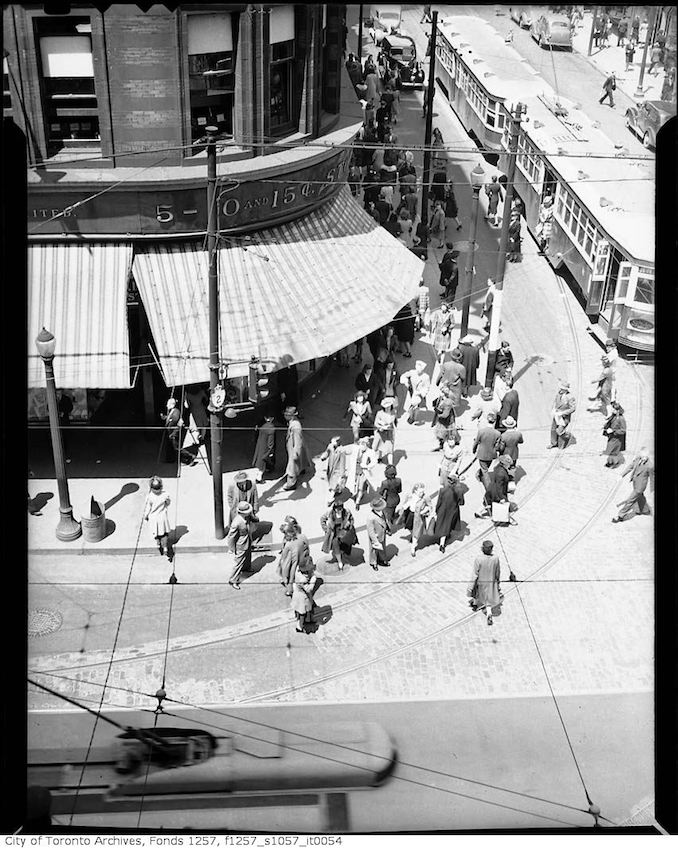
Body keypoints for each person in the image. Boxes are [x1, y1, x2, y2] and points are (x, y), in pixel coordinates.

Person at [467, 540, 502, 625]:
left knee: (476, 593)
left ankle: (475, 605)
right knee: (488, 599)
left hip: (481, 582)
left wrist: (470, 586)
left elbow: (475, 573)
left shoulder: (479, 559)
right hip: (491, 582)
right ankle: (489, 614)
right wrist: (497, 582)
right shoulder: (495, 558)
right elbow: (498, 572)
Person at [612, 448, 652, 523]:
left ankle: (621, 515)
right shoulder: (637, 459)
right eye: (642, 456)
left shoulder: (650, 466)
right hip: (635, 483)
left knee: (630, 500)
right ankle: (645, 510)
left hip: (640, 487)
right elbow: (630, 467)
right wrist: (621, 475)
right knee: (640, 497)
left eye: (645, 457)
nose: (643, 458)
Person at [320, 497, 356, 570]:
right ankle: (340, 561)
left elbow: (352, 519)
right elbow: (322, 519)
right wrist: (326, 529)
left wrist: (350, 525)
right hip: (334, 533)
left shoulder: (347, 512)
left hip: (344, 531)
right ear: (334, 508)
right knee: (335, 545)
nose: (339, 511)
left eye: (340, 509)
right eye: (337, 509)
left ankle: (343, 553)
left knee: (345, 544)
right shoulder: (329, 513)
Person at [433, 473, 465, 554]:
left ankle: (442, 541)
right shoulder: (459, 490)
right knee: (449, 524)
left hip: (442, 510)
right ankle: (442, 543)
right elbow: (461, 503)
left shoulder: (442, 490)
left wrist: (436, 510)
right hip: (453, 510)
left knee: (442, 524)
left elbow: (439, 502)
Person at [278, 520, 311, 597]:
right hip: (302, 562)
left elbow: (285, 559)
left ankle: (290, 591)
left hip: (291, 564)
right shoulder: (301, 538)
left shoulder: (288, 544)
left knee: (289, 578)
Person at [226, 501, 255, 589]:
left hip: (247, 540)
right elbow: (231, 537)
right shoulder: (236, 522)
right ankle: (233, 580)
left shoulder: (246, 518)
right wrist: (231, 548)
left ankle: (246, 568)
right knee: (238, 562)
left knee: (247, 555)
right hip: (241, 544)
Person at [143, 476, 173, 560]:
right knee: (164, 533)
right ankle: (165, 547)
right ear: (161, 486)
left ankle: (158, 542)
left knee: (156, 531)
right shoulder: (165, 495)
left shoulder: (149, 497)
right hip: (162, 517)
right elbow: (168, 503)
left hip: (153, 518)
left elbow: (147, 508)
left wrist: (145, 516)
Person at [283, 406, 312, 490]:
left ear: (292, 415)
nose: (285, 415)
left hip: (294, 449)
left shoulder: (296, 427)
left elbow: (298, 441)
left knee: (291, 467)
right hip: (293, 447)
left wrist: (296, 454)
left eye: (287, 414)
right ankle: (301, 469)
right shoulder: (293, 422)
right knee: (300, 461)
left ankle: (291, 484)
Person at [401, 483, 433, 557]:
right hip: (411, 515)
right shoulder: (411, 496)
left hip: (418, 518)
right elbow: (407, 503)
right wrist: (404, 507)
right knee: (410, 528)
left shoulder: (425, 498)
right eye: (420, 492)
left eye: (423, 491)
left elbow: (430, 506)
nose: (422, 493)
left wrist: (425, 510)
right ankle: (413, 536)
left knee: (416, 533)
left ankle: (413, 548)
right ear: (415, 491)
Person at [162, 397, 195, 465]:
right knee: (171, 447)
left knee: (177, 448)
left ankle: (190, 457)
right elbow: (169, 418)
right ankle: (170, 459)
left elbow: (177, 424)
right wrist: (165, 417)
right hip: (170, 433)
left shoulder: (176, 413)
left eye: (168, 404)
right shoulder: (172, 411)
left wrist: (173, 434)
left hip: (173, 434)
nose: (166, 406)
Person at [400, 359, 431, 424]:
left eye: (420, 370)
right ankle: (411, 416)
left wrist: (421, 393)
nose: (418, 371)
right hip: (411, 392)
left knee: (417, 407)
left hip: (419, 394)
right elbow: (403, 376)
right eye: (417, 369)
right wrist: (406, 382)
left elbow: (427, 387)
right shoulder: (412, 372)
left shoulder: (426, 377)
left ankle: (414, 417)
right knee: (410, 406)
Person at [549, 380, 577, 449]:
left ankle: (564, 440)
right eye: (560, 388)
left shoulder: (570, 397)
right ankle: (554, 443)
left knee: (559, 431)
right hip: (557, 415)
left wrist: (563, 413)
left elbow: (573, 409)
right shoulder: (559, 394)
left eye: (562, 389)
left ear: (566, 390)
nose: (560, 390)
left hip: (564, 417)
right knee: (553, 429)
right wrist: (553, 409)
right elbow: (555, 402)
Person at [437, 348, 466, 413]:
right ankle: (450, 411)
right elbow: (463, 378)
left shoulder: (445, 364)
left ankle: (444, 408)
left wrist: (437, 382)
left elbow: (440, 374)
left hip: (445, 385)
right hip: (455, 387)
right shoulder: (461, 367)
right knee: (453, 400)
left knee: (444, 397)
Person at [353, 436, 379, 509]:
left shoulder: (371, 452)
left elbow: (374, 462)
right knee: (353, 487)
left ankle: (357, 502)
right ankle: (356, 495)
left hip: (363, 473)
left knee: (360, 488)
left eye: (363, 445)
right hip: (355, 471)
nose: (361, 446)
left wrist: (367, 466)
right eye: (360, 444)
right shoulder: (357, 450)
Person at [372, 397, 397, 465]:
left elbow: (393, 422)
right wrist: (381, 426)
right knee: (379, 446)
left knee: (389, 449)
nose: (387, 408)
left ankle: (390, 465)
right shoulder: (379, 413)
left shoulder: (394, 412)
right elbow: (375, 423)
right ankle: (379, 458)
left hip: (389, 433)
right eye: (386, 406)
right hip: (380, 432)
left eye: (389, 406)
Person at [431, 384, 457, 451]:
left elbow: (445, 414)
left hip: (445, 419)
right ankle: (445, 443)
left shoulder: (447, 402)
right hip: (447, 417)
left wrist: (439, 415)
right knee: (446, 432)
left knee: (446, 432)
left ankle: (446, 444)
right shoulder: (442, 398)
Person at [378, 463, 402, 534]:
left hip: (388, 501)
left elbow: (381, 492)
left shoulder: (384, 483)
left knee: (387, 516)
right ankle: (392, 518)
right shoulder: (399, 480)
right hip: (396, 499)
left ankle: (389, 530)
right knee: (392, 511)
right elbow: (399, 491)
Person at [366, 496, 389, 570]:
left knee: (383, 548)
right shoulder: (371, 517)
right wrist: (375, 541)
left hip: (382, 534)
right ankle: (374, 562)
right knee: (374, 551)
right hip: (375, 537)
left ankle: (382, 559)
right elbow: (371, 531)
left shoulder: (383, 512)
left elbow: (385, 521)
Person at [603, 400, 627, 468]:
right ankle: (610, 462)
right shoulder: (613, 416)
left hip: (617, 438)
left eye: (613, 409)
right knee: (610, 450)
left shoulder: (621, 419)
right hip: (612, 437)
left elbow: (623, 430)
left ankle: (614, 463)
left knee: (614, 451)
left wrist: (613, 431)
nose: (612, 410)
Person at [292, 568, 316, 632]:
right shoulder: (303, 579)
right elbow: (308, 589)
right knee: (302, 612)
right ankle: (300, 627)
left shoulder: (298, 572)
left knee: (298, 609)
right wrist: (313, 579)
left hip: (297, 594)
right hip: (302, 597)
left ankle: (298, 619)